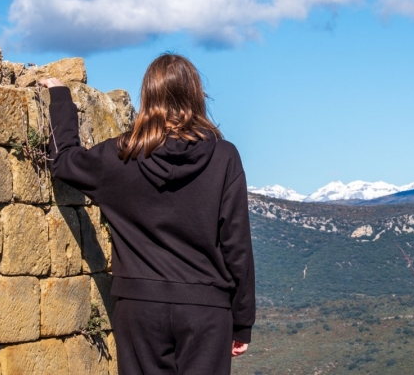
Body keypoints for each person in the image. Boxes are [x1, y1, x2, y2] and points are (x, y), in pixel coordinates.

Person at [39, 53, 255, 375]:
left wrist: (59, 97)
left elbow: (65, 161)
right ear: (196, 96)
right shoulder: (224, 157)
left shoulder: (120, 158)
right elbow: (236, 245)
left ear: (148, 97)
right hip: (206, 311)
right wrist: (242, 323)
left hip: (140, 308)